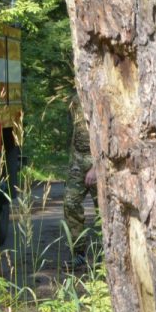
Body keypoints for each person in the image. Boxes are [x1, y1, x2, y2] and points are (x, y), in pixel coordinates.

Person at [63, 94, 96, 249]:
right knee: (70, 203)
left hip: (100, 162)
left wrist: (96, 166)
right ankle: (79, 252)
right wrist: (73, 163)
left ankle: (107, 259)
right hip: (78, 162)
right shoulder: (76, 98)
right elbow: (77, 133)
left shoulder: (104, 92)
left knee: (105, 211)